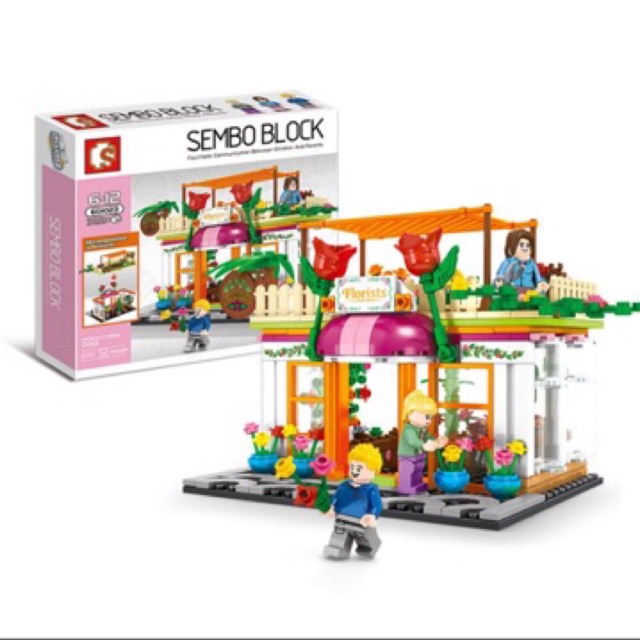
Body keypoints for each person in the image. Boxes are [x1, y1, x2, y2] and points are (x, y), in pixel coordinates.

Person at [323, 444, 383, 560]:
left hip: (362, 521)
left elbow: (377, 504)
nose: (354, 471)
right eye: (352, 467)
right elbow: (336, 498)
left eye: (359, 468)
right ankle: (336, 549)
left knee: (366, 540)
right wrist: (332, 508)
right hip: (342, 518)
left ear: (373, 470)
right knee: (339, 536)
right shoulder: (344, 485)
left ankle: (368, 549)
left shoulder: (371, 489)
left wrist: (372, 515)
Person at [398, 390, 438, 494]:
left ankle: (417, 484)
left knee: (418, 470)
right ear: (412, 413)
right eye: (427, 416)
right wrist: (424, 445)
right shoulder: (408, 429)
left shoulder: (422, 429)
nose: (429, 420)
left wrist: (437, 441)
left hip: (418, 455)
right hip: (407, 456)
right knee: (409, 471)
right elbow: (413, 441)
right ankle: (407, 486)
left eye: (431, 417)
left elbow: (428, 437)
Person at [495, 229, 549, 298]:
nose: (525, 248)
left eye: (528, 245)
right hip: (513, 291)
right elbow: (500, 275)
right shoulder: (507, 262)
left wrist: (542, 283)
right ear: (512, 247)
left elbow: (538, 278)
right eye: (521, 245)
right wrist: (500, 281)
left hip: (530, 291)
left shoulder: (532, 264)